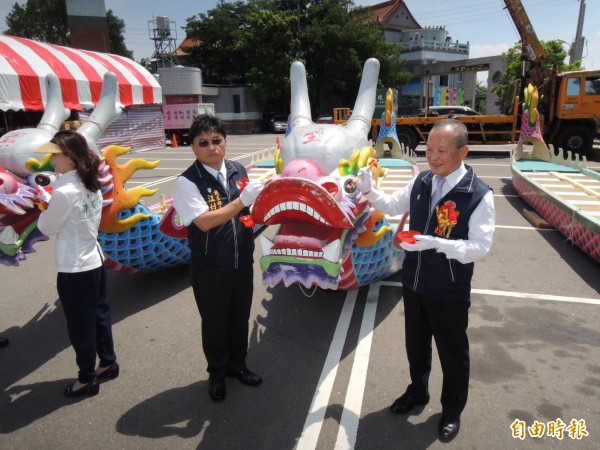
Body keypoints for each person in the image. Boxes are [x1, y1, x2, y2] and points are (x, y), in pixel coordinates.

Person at [356, 119, 495, 442]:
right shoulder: (422, 182)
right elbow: (392, 205)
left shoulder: (478, 194)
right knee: (416, 347)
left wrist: (436, 243)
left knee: (453, 353)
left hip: (449, 289)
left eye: (442, 151)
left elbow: (480, 248)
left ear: (463, 151)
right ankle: (418, 392)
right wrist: (368, 189)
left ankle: (451, 410)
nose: (433, 157)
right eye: (429, 149)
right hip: (415, 283)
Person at [173, 114, 265, 402]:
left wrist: (256, 223)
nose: (212, 147)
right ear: (193, 147)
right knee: (214, 323)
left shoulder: (238, 170)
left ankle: (238, 366)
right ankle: (217, 374)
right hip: (210, 267)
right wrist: (241, 202)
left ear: (225, 142)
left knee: (239, 319)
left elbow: (246, 214)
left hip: (241, 263)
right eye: (204, 143)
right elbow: (204, 222)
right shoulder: (188, 182)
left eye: (217, 140)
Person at [36, 131, 119, 398]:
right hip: (94, 260)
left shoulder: (65, 192)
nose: (51, 158)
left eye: (55, 153)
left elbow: (47, 227)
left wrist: (43, 208)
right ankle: (108, 362)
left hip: (74, 267)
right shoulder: (90, 183)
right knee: (99, 315)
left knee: (80, 325)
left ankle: (86, 378)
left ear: (70, 158)